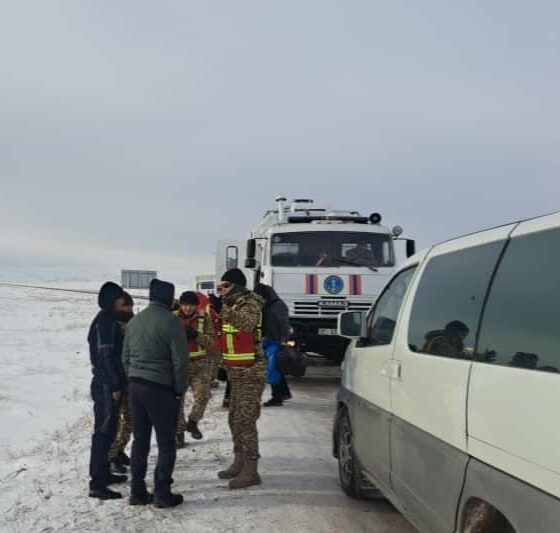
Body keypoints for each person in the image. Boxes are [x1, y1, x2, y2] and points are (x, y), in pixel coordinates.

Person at [122, 279, 188, 508]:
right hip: (160, 389)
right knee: (166, 443)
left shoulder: (135, 321)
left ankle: (137, 492)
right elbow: (180, 360)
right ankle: (162, 493)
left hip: (136, 387)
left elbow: (125, 357)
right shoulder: (172, 322)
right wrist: (179, 389)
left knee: (140, 441)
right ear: (169, 299)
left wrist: (133, 377)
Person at [217, 268, 266, 489]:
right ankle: (239, 461)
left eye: (226, 285)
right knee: (234, 418)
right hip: (236, 372)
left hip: (251, 372)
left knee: (245, 421)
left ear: (236, 286)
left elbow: (247, 324)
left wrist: (225, 311)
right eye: (220, 286)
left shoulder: (250, 303)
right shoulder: (232, 305)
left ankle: (251, 470)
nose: (222, 289)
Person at [87, 282, 129, 500]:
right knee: (103, 432)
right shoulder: (104, 322)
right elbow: (105, 355)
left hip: (108, 382)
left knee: (111, 430)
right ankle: (97, 483)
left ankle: (104, 473)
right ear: (112, 301)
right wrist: (114, 385)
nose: (124, 303)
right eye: (121, 299)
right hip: (105, 384)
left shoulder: (110, 320)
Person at [174, 291, 215, 447]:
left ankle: (193, 422)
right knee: (177, 401)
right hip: (179, 366)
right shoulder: (172, 317)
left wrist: (196, 335)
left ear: (196, 306)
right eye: (185, 305)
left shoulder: (204, 318)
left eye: (191, 305)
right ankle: (179, 433)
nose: (188, 308)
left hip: (199, 365)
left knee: (203, 396)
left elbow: (211, 340)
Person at [254, 283, 292, 407]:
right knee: (274, 368)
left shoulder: (276, 306)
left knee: (272, 369)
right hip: (270, 340)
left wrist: (284, 341)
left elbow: (284, 324)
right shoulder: (271, 305)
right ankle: (282, 394)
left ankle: (278, 397)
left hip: (275, 341)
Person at [109, 291, 135, 474]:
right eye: (125, 306)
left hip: (131, 378)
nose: (128, 309)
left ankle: (119, 449)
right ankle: (110, 457)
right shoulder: (110, 325)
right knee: (114, 421)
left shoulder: (133, 323)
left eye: (130, 306)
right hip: (116, 380)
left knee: (131, 419)